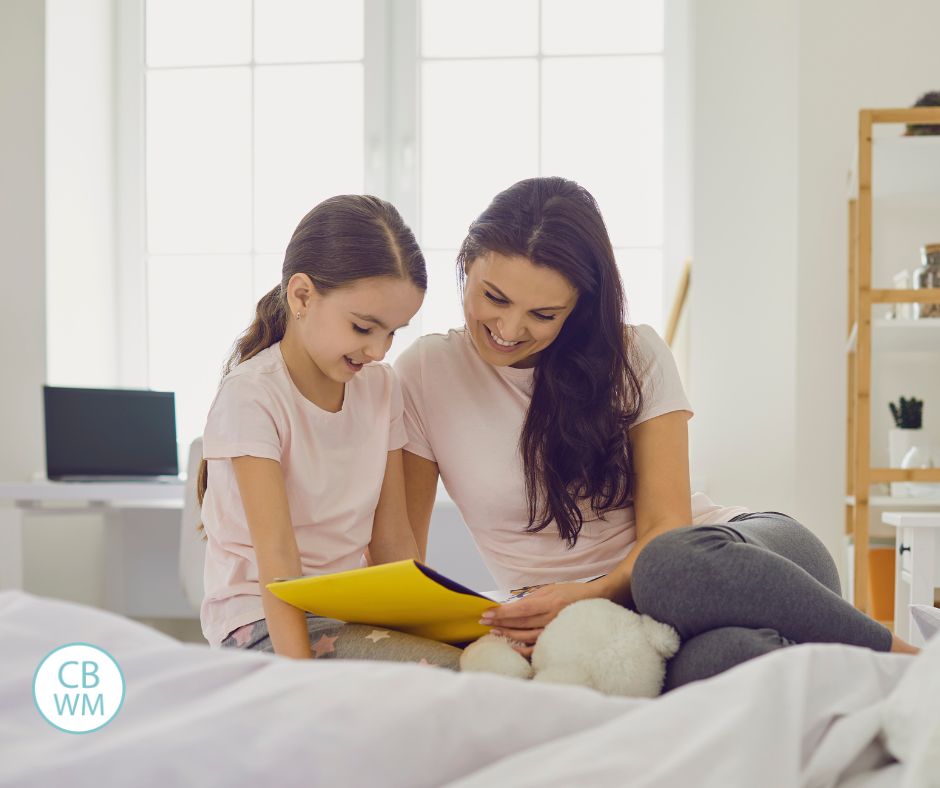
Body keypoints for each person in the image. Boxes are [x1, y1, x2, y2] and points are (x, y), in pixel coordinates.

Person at [395, 177, 917, 690]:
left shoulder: (633, 355)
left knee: (667, 567)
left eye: (543, 314)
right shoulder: (424, 372)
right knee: (725, 661)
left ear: (579, 305)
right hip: (645, 625)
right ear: (465, 264)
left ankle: (910, 662)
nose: (509, 329)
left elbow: (667, 529)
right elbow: (405, 558)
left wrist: (588, 594)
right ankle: (842, 682)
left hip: (736, 560)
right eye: (494, 298)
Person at [198, 195, 460, 668]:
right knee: (446, 675)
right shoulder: (253, 395)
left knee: (489, 661)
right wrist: (298, 681)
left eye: (393, 333)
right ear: (301, 296)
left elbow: (393, 541)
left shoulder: (380, 388)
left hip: (344, 615)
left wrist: (445, 628)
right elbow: (278, 560)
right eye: (364, 327)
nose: (379, 350)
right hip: (262, 621)